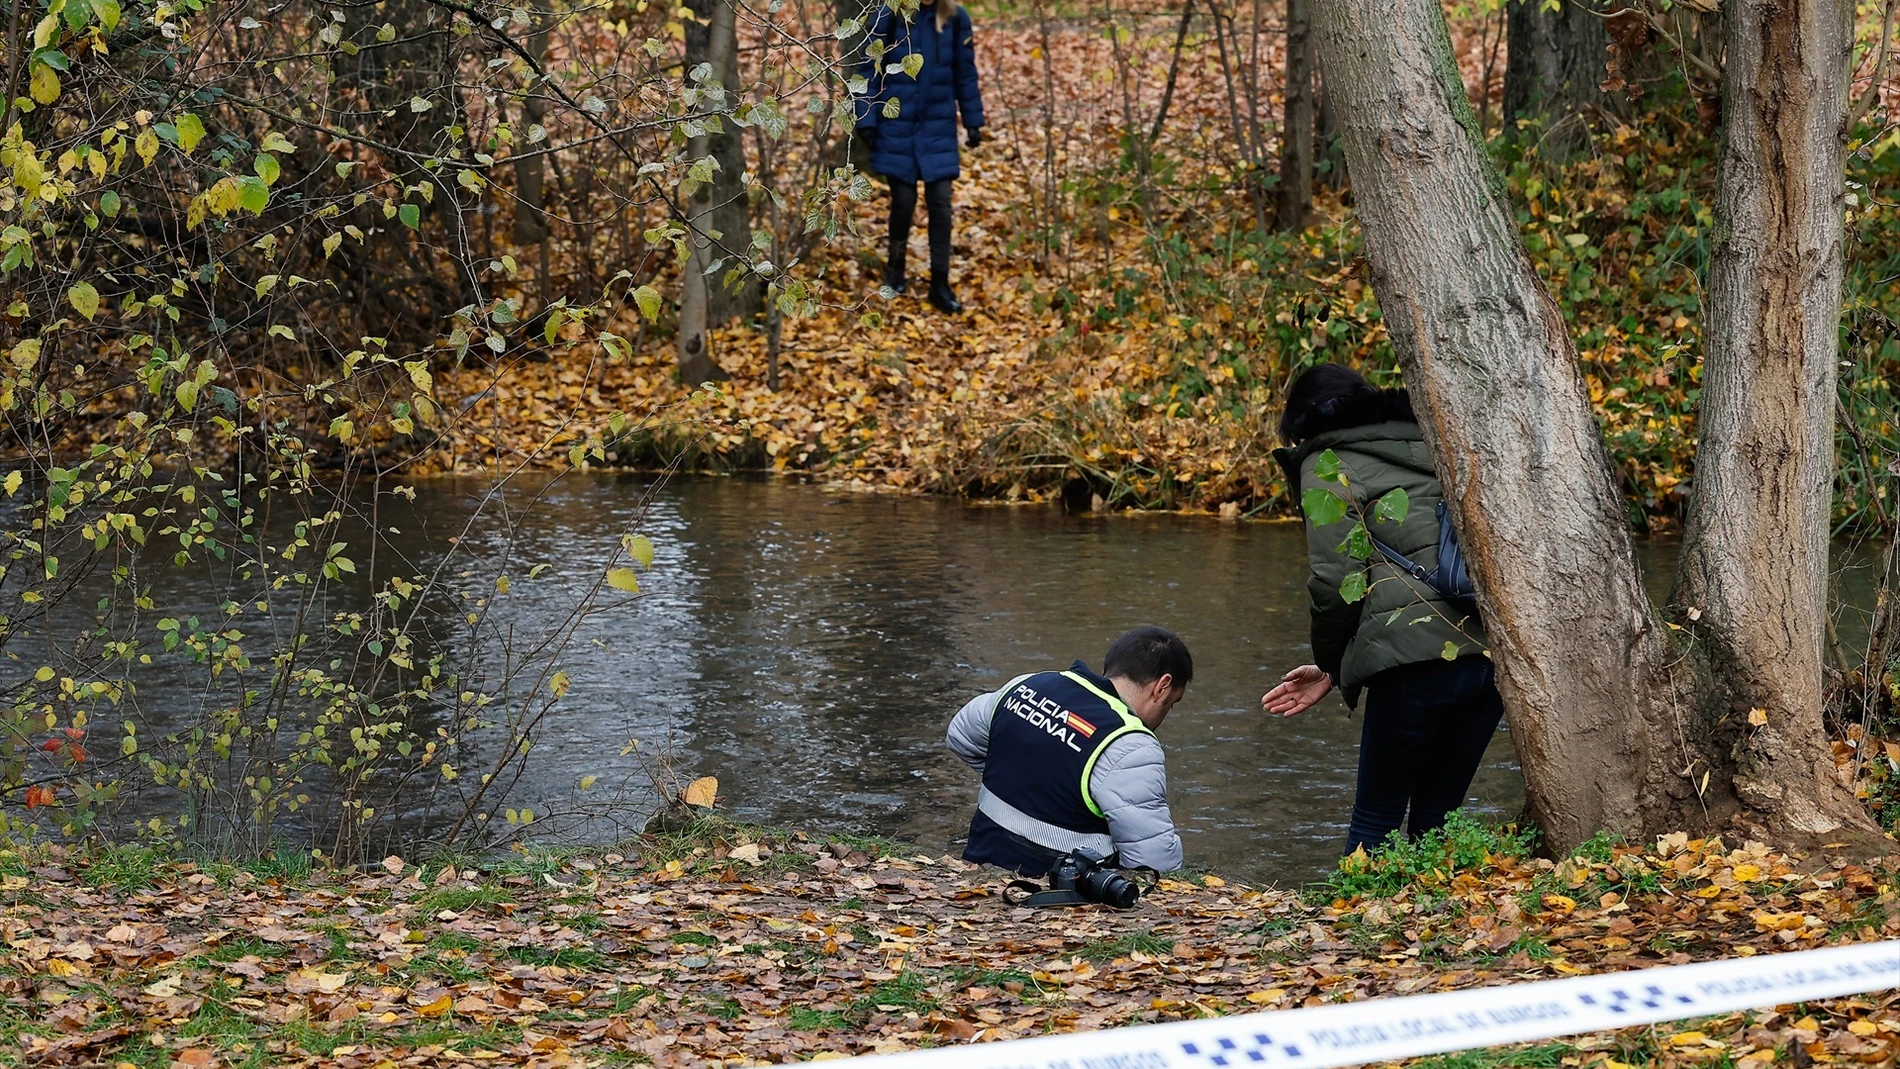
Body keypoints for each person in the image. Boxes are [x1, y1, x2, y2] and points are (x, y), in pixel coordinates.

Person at [1261, 364, 1501, 856]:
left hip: (1412, 662)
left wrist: (1329, 661)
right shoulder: (1440, 444)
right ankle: (1437, 926)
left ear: (1301, 425)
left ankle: (1356, 925)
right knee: (1438, 823)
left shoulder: (1327, 462)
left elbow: (1333, 580)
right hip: (1489, 657)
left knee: (1376, 817)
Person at [946, 626, 1190, 875]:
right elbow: (1154, 862)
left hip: (978, 863)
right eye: (1170, 704)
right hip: (1056, 890)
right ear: (1162, 686)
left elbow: (959, 737)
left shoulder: (1028, 685)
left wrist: (1023, 780)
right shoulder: (1131, 744)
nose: (1164, 714)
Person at [855, 0, 986, 314]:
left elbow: (965, 73)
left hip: (937, 126)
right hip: (895, 124)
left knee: (940, 201)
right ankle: (895, 270)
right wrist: (866, 120)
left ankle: (939, 282)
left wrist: (973, 121)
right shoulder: (887, 16)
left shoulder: (955, 18)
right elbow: (867, 71)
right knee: (903, 201)